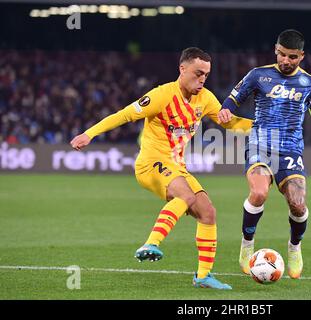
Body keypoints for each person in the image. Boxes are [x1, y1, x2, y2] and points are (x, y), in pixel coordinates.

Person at [70, 47, 252, 290]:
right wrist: (89, 134)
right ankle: (151, 244)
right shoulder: (161, 95)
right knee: (185, 196)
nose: (202, 79)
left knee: (207, 212)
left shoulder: (205, 98)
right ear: (182, 69)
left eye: (206, 75)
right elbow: (124, 115)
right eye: (198, 73)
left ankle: (203, 276)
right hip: (150, 164)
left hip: (177, 166)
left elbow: (229, 123)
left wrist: (262, 126)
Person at [218, 29, 311, 279]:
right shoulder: (258, 75)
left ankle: (294, 247)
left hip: (291, 147)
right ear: (275, 50)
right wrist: (226, 110)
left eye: (291, 57)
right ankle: (247, 245)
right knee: (258, 193)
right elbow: (234, 98)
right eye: (281, 55)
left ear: (301, 56)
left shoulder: (310, 83)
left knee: (298, 205)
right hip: (260, 144)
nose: (285, 61)